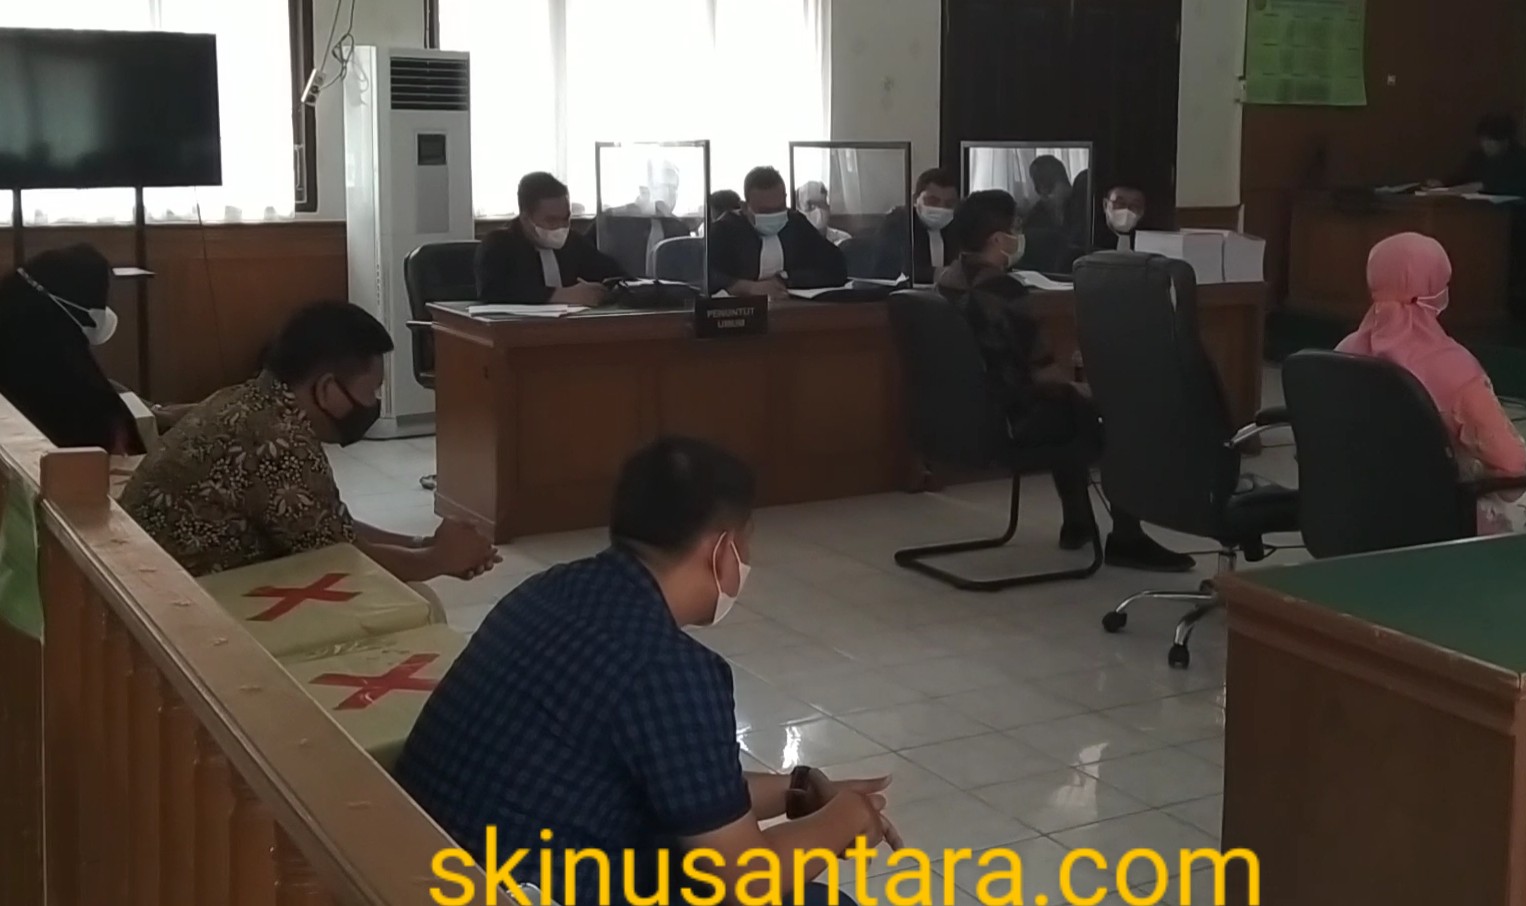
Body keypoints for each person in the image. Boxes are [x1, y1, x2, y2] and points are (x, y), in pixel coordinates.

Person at [395, 438, 892, 906]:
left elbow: (682, 786)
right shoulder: (669, 669)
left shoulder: (548, 591)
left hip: (416, 864)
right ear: (722, 551)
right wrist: (848, 818)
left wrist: (794, 789)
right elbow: (746, 881)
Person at [121, 300, 501, 580]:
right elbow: (341, 559)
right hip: (180, 602)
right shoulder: (279, 441)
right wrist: (439, 560)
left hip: (152, 579)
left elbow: (326, 524)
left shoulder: (248, 399)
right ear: (327, 389)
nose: (374, 404)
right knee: (413, 598)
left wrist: (423, 544)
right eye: (372, 390)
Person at [935, 190, 1194, 571]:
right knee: (1118, 413)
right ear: (997, 239)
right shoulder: (1003, 291)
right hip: (1012, 416)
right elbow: (1043, 372)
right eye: (1015, 227)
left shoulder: (947, 280)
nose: (1020, 234)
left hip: (967, 411)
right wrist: (1091, 388)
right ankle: (1126, 537)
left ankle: (1078, 521)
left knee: (1069, 408)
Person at [1334, 232, 1526, 534]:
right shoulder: (1454, 368)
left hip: (1350, 516)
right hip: (1435, 526)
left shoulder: (1342, 352)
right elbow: (1511, 469)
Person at [0, 244, 140, 453]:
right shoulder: (63, 383)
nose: (102, 312)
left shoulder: (22, 329)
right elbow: (111, 440)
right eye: (97, 300)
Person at [476, 171, 625, 306]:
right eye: (551, 220)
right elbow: (492, 291)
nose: (561, 227)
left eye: (566, 218)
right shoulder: (498, 244)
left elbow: (616, 275)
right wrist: (561, 295)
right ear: (526, 218)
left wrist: (603, 291)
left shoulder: (574, 242)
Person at [708, 166, 848, 299]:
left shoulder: (796, 224)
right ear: (744, 207)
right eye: (765, 211)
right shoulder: (725, 229)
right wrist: (746, 287)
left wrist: (786, 278)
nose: (774, 215)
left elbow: (835, 266)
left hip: (792, 307)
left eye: (780, 208)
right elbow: (705, 273)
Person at [869, 168, 960, 283]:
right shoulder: (898, 223)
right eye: (932, 201)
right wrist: (939, 274)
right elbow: (889, 270)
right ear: (914, 200)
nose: (941, 208)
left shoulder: (958, 225)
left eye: (949, 204)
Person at [1428, 113, 1526, 201]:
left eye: (1491, 141)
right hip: (1477, 211)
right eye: (1483, 140)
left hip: (1514, 215)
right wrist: (1442, 183)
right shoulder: (1477, 158)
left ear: (1505, 140)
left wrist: (1484, 186)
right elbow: (1461, 177)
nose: (1486, 145)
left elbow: (1521, 187)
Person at [1098, 184, 1147, 251]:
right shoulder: (1088, 239)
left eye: (1135, 205)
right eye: (1120, 203)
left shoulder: (1148, 243)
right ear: (1105, 205)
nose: (1127, 209)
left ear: (1142, 211)